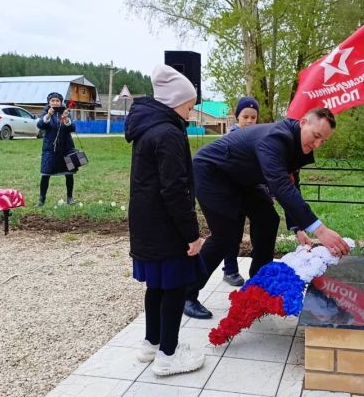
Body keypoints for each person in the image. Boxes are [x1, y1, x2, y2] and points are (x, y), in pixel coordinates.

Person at [184, 107, 351, 319]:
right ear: (302, 123)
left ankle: (258, 284)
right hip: (212, 174)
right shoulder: (275, 139)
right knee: (225, 236)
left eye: (323, 141)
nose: (317, 144)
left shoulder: (298, 145)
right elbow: (280, 186)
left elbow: (291, 184)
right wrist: (320, 230)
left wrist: (298, 227)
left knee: (268, 219)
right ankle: (186, 293)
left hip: (241, 179)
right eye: (316, 136)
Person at [125, 64, 205, 376]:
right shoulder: (169, 133)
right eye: (189, 104)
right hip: (166, 226)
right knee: (174, 288)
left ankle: (152, 344)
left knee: (156, 286)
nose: (191, 109)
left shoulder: (146, 128)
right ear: (174, 102)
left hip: (145, 224)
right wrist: (191, 233)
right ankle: (168, 356)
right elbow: (174, 189)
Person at [220, 96, 260, 287]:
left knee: (257, 231)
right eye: (246, 117)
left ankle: (259, 269)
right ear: (238, 118)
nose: (250, 121)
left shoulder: (259, 139)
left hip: (251, 193)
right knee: (232, 234)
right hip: (231, 195)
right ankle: (230, 269)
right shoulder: (229, 139)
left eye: (253, 117)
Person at [36, 92, 78, 206]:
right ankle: (41, 199)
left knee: (69, 173)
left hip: (66, 148)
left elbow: (73, 128)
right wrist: (49, 115)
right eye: (52, 100)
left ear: (61, 102)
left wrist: (66, 120)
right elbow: (40, 125)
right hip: (50, 148)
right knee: (45, 174)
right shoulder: (46, 112)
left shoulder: (66, 111)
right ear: (49, 102)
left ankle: (70, 197)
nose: (55, 102)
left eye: (57, 101)